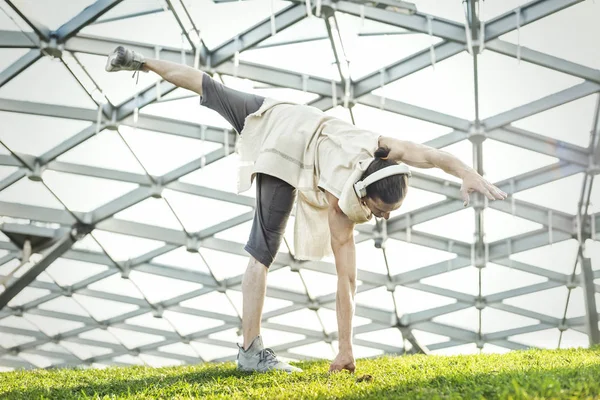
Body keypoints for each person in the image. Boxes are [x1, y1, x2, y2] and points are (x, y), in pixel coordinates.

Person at [105, 46, 507, 374]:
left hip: (282, 112)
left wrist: (466, 172)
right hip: (287, 151)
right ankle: (250, 351)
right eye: (381, 211)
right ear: (364, 195)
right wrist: (345, 349)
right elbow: (346, 282)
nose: (383, 218)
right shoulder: (340, 206)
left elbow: (431, 155)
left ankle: (138, 61)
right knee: (261, 250)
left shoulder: (381, 147)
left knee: (208, 87)